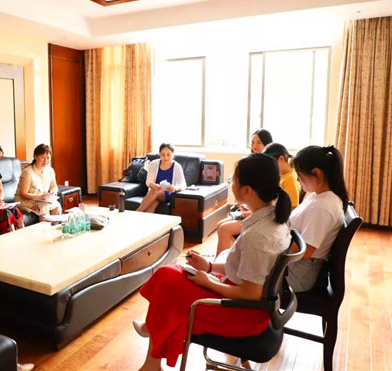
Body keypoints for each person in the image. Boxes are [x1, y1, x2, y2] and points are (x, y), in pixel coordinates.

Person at [133, 153, 292, 370]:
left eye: (233, 179)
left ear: (247, 190)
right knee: (169, 274)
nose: (231, 183)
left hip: (243, 314)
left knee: (168, 285)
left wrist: (208, 281)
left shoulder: (259, 236)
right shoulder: (273, 219)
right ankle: (151, 353)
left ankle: (151, 353)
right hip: (249, 305)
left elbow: (251, 294)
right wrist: (208, 267)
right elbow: (246, 270)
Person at [285, 145, 348, 293]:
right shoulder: (318, 196)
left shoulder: (322, 207)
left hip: (295, 275)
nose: (298, 180)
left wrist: (278, 236)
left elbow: (304, 252)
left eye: (300, 175)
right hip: (291, 265)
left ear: (317, 173)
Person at [14, 144, 62, 220]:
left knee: (57, 205)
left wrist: (51, 194)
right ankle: (44, 227)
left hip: (42, 199)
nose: (45, 160)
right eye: (43, 157)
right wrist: (40, 197)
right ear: (35, 157)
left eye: (48, 158)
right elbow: (23, 194)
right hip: (26, 200)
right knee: (44, 207)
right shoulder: (27, 172)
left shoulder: (50, 170)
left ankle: (56, 226)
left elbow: (53, 187)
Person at [136, 143, 186, 213]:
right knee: (152, 206)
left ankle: (137, 212)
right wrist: (153, 185)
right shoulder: (154, 163)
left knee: (155, 191)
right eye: (163, 155)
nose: (165, 157)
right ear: (159, 154)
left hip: (168, 193)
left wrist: (174, 188)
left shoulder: (177, 166)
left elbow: (183, 185)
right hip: (155, 192)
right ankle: (144, 219)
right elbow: (148, 181)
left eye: (168, 155)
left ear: (173, 154)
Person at [263, 143, 300, 208]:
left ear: (281, 159)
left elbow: (292, 207)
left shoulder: (290, 179)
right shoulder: (282, 175)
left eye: (270, 164)